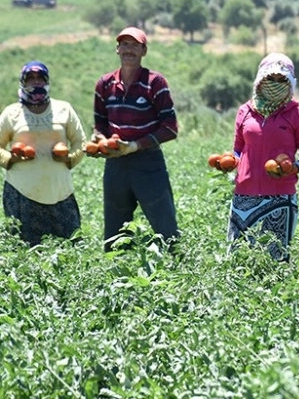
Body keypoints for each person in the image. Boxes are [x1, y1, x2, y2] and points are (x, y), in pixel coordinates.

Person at [89, 27, 180, 252]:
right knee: (115, 232)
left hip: (148, 163)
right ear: (117, 49)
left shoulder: (155, 83)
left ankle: (178, 272)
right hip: (116, 164)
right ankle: (117, 281)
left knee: (165, 226)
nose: (129, 50)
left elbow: (170, 127)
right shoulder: (105, 84)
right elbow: (100, 123)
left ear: (144, 51)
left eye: (135, 45)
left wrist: (135, 145)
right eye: (125, 44)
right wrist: (100, 139)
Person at [225, 52, 299, 262]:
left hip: (280, 198)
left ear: (291, 83)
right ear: (260, 79)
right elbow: (238, 149)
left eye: (281, 80)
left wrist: (293, 168)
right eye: (270, 78)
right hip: (244, 195)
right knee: (237, 259)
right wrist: (231, 162)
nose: (275, 84)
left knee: (275, 262)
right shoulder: (245, 112)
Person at [0, 61, 86, 246]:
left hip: (60, 191)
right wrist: (11, 158)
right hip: (22, 193)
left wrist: (69, 158)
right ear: (23, 81)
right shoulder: (12, 113)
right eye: (30, 78)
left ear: (47, 81)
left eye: (40, 78)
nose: (36, 82)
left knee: (70, 248)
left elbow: (80, 141)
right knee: (25, 251)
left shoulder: (63, 109)